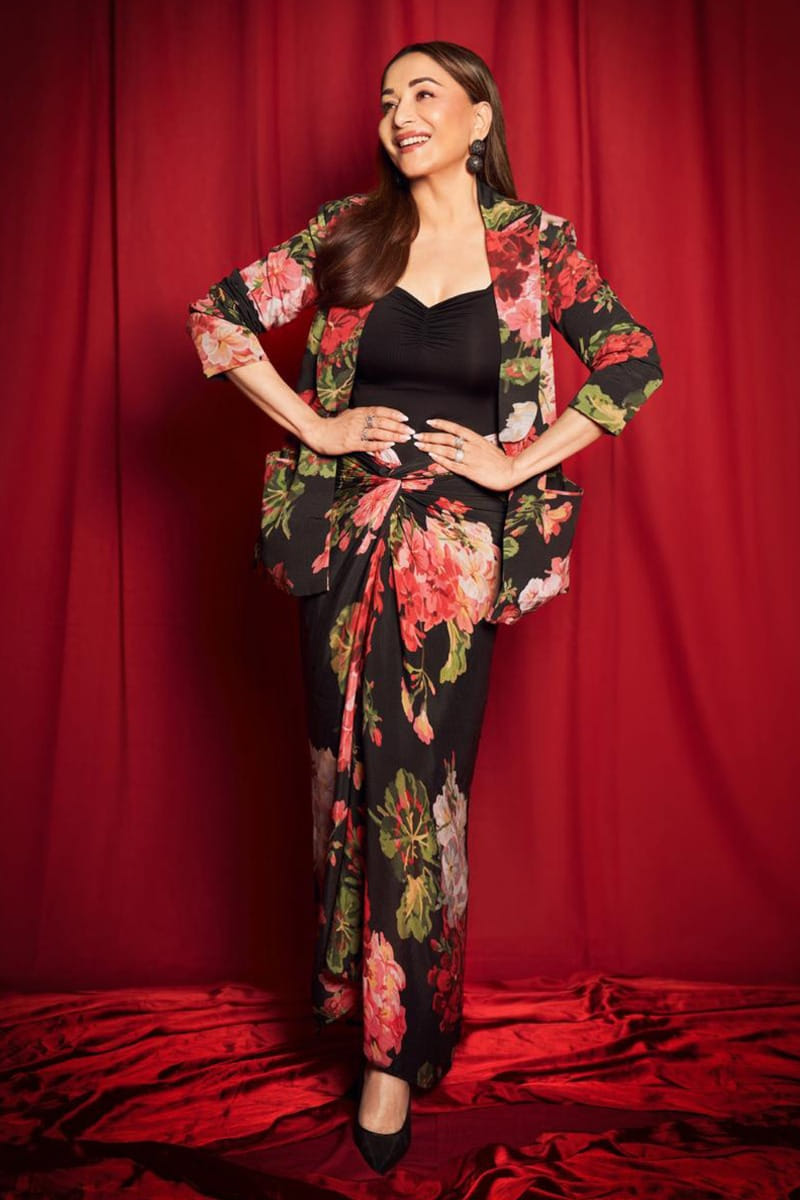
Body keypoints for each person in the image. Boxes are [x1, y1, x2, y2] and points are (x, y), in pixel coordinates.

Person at [186, 40, 663, 1174]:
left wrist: (514, 463)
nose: (400, 115)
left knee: (415, 793)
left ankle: (391, 1059)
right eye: (388, 99)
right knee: (342, 785)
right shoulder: (348, 234)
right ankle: (362, 1007)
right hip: (341, 552)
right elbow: (217, 318)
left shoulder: (532, 247)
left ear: (479, 118)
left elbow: (629, 362)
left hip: (452, 564)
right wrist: (314, 426)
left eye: (425, 95)